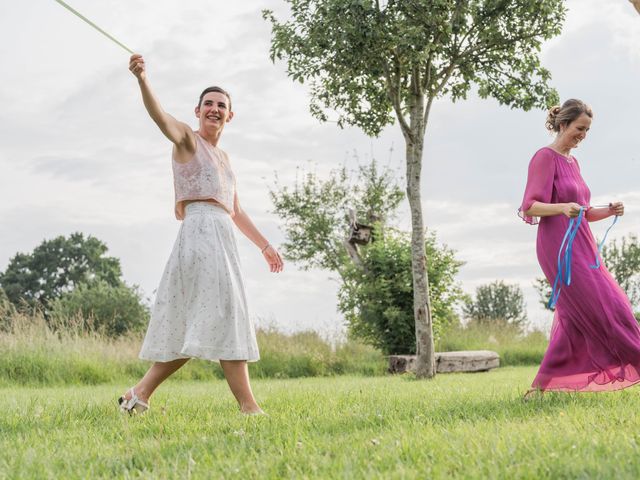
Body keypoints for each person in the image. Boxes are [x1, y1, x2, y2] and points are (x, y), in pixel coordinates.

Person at [118, 54, 283, 415]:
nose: (214, 109)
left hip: (223, 239)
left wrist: (265, 246)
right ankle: (249, 406)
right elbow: (161, 117)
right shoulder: (187, 142)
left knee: (207, 319)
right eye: (208, 103)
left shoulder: (224, 159)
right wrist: (143, 79)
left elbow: (235, 210)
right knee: (224, 314)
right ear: (197, 110)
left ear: (230, 115)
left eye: (221, 105)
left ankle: (138, 394)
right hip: (199, 235)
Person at [519, 98, 640, 393]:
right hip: (558, 247)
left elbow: (582, 212)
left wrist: (609, 210)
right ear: (563, 124)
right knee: (608, 306)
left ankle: (539, 388)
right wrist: (561, 208)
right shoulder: (544, 157)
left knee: (578, 316)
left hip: (584, 245)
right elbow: (529, 207)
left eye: (586, 131)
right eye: (579, 128)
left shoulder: (574, 162)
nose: (582, 135)